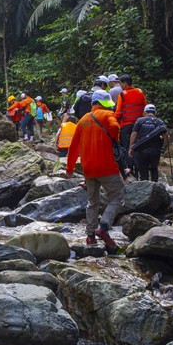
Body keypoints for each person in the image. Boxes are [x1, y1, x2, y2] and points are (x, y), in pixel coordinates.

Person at [65, 89, 123, 254]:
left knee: (92, 202)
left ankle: (90, 236)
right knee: (117, 197)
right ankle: (103, 227)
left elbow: (73, 147)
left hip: (88, 169)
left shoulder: (83, 120)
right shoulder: (107, 114)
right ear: (104, 103)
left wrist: (70, 168)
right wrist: (114, 138)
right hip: (107, 167)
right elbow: (114, 127)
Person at [114, 74, 147, 176]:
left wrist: (114, 121)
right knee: (138, 146)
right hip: (139, 125)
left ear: (125, 84)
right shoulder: (140, 92)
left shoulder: (122, 94)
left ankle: (129, 169)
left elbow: (118, 112)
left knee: (127, 147)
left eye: (120, 84)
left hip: (126, 126)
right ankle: (139, 168)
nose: (120, 86)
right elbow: (145, 109)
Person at [129, 104, 169, 182]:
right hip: (155, 151)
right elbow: (166, 137)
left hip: (142, 151)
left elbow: (134, 134)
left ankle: (145, 187)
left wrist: (131, 148)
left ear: (145, 112)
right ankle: (155, 186)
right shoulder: (160, 122)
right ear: (155, 112)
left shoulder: (139, 121)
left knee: (143, 172)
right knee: (154, 170)